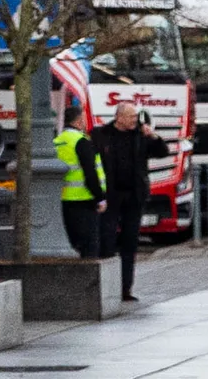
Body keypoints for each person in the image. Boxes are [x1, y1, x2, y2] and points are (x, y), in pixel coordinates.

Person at [96, 110, 158, 300]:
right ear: (119, 117)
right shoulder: (101, 134)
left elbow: (161, 151)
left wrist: (152, 136)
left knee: (130, 242)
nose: (135, 120)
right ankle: (106, 287)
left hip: (134, 196)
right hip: (111, 197)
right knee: (106, 240)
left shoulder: (140, 135)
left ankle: (125, 289)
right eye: (131, 117)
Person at [59, 106, 102, 258]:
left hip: (63, 200)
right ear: (78, 122)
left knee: (73, 245)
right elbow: (90, 173)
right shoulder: (81, 142)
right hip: (84, 200)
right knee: (89, 247)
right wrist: (100, 197)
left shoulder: (57, 141)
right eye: (83, 119)